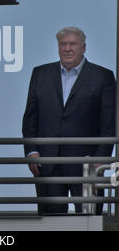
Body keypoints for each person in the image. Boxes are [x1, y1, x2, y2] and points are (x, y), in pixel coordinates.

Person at [22, 27, 116, 215]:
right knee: (50, 222)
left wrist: (101, 160)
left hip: (87, 165)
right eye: (63, 44)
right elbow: (30, 117)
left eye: (72, 44)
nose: (67, 48)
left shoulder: (102, 76)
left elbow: (109, 122)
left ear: (84, 48)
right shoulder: (40, 74)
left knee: (90, 221)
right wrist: (32, 151)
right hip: (47, 163)